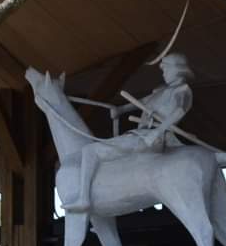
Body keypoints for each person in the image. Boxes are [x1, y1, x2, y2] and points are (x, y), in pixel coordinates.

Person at [69, 53, 194, 213]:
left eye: (166, 69)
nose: (164, 73)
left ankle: (83, 199)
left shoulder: (182, 90)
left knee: (89, 151)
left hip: (147, 138)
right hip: (142, 135)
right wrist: (121, 109)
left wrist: (156, 132)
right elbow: (142, 102)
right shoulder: (162, 91)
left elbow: (178, 111)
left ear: (177, 71)